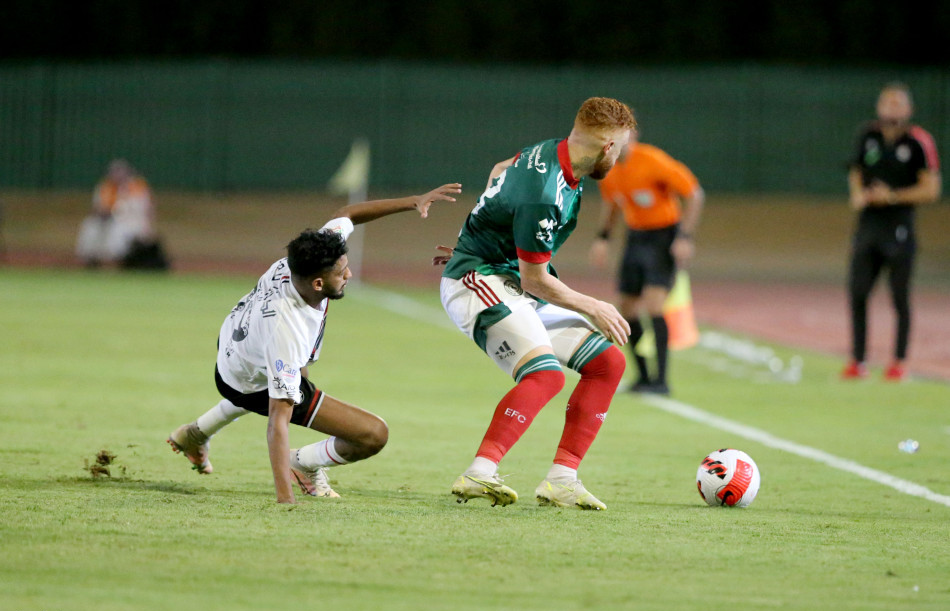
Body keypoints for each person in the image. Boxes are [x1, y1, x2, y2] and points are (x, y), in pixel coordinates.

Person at [167, 183, 461, 504]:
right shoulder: (286, 329)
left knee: (298, 380)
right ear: (318, 283)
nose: (348, 275)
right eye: (342, 272)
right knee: (373, 435)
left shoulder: (309, 260)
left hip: (237, 343)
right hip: (249, 380)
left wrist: (413, 202)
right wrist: (285, 500)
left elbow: (346, 213)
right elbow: (278, 421)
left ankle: (194, 434)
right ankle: (303, 464)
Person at [438, 97, 635, 511]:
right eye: (621, 148)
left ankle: (562, 480)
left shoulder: (548, 151)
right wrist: (593, 306)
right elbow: (535, 279)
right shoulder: (544, 195)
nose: (620, 156)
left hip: (509, 277)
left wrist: (480, 224)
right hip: (481, 278)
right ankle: (480, 471)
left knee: (607, 364)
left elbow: (499, 172)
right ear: (607, 147)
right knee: (546, 376)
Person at [588, 129, 704, 395]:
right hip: (636, 237)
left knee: (654, 305)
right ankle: (642, 377)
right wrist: (603, 238)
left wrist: (685, 236)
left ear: (632, 134)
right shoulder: (608, 168)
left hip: (663, 237)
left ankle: (661, 379)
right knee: (626, 307)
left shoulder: (653, 160)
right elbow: (612, 203)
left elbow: (694, 193)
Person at [842, 82, 941, 381]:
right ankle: (857, 361)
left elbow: (932, 189)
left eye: (898, 104)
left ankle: (899, 362)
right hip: (868, 226)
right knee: (857, 291)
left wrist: (893, 196)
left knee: (899, 297)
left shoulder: (918, 142)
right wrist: (858, 193)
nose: (892, 109)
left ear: (909, 109)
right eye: (887, 103)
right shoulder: (868, 135)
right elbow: (856, 171)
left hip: (899, 227)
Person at [76, 159, 168, 269]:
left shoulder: (138, 187)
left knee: (118, 230)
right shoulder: (106, 187)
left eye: (120, 172)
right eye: (114, 173)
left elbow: (146, 210)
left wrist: (149, 228)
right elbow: (99, 208)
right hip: (109, 220)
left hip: (133, 222)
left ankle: (113, 262)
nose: (117, 176)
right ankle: (90, 259)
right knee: (90, 225)